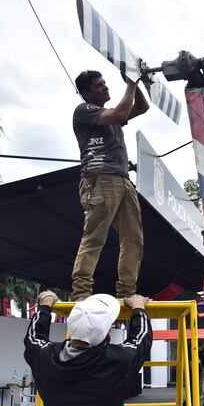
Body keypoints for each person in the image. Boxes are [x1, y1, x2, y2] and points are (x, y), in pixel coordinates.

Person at [24, 291, 152, 406]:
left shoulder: (45, 359)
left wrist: (45, 305)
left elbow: (33, 337)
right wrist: (139, 308)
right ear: (107, 335)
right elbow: (141, 340)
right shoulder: (118, 362)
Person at [71, 70, 150, 302]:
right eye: (98, 85)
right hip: (99, 178)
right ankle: (81, 293)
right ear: (86, 93)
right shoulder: (84, 111)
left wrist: (136, 83)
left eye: (105, 83)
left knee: (134, 238)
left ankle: (127, 292)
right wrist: (131, 84)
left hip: (122, 180)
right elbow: (121, 112)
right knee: (95, 236)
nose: (105, 87)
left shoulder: (111, 115)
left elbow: (142, 108)